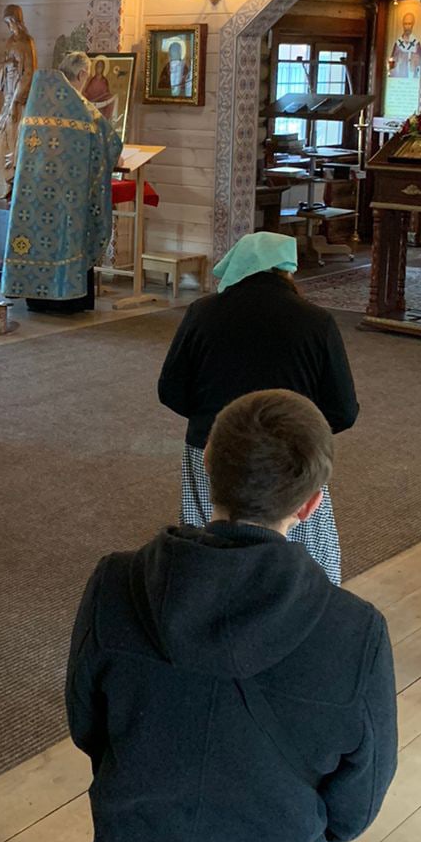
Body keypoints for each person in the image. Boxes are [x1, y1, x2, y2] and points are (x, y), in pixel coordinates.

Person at [65, 390, 397, 842]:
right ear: (313, 503)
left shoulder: (115, 583)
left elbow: (86, 726)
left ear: (206, 468)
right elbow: (357, 805)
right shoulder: (355, 633)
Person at [157, 231, 358, 584]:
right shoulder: (316, 321)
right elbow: (343, 410)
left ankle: (204, 592)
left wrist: (214, 420)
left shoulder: (202, 313)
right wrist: (300, 429)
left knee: (209, 533)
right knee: (301, 546)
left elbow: (170, 390)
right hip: (289, 452)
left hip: (214, 446)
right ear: (287, 270)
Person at [1, 52, 123, 314]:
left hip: (33, 195)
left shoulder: (37, 102)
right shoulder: (81, 109)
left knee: (37, 237)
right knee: (66, 239)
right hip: (68, 197)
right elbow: (111, 142)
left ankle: (35, 298)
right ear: (82, 74)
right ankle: (66, 299)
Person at [0, 4, 38, 198]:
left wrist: (14, 102)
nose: (10, 27)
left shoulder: (27, 42)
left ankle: (16, 185)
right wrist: (6, 67)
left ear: (18, 21)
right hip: (7, 97)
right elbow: (2, 73)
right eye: (7, 23)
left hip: (19, 102)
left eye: (11, 22)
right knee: (1, 140)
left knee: (16, 142)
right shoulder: (9, 42)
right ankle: (7, 181)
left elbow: (29, 73)